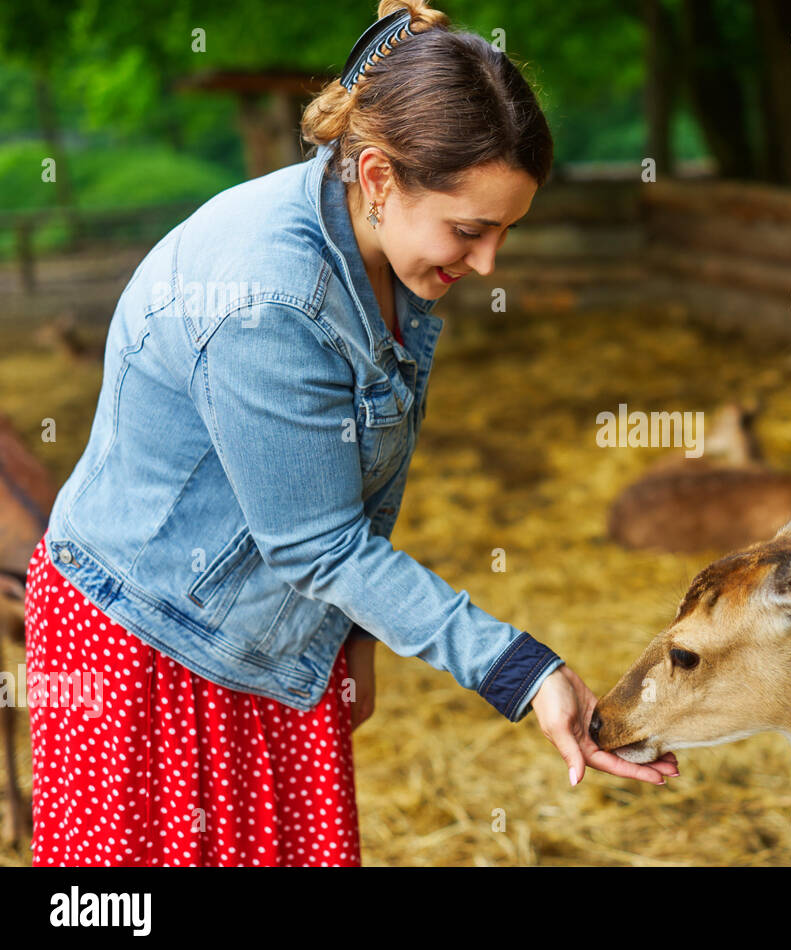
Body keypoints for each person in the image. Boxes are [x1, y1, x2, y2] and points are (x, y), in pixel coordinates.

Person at [23, 0, 676, 867]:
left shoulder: (379, 247)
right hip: (153, 646)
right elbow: (317, 544)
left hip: (261, 632)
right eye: (472, 231)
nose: (488, 264)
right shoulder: (269, 300)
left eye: (506, 231)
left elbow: (342, 492)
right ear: (377, 178)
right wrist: (520, 671)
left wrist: (347, 642)